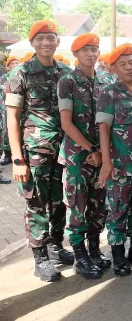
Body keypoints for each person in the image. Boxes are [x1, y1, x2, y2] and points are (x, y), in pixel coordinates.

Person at [5, 20, 74, 282]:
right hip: (35, 152)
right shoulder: (20, 73)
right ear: (32, 42)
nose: (46, 42)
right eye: (40, 38)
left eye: (51, 37)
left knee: (59, 202)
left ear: (57, 41)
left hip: (63, 151)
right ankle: (40, 256)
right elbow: (12, 118)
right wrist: (17, 159)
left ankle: (56, 246)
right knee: (36, 204)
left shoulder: (66, 72)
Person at [57, 33, 110, 279]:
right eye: (86, 50)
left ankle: (94, 251)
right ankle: (80, 257)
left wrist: (102, 153)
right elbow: (66, 124)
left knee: (98, 206)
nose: (91, 54)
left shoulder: (103, 82)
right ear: (76, 54)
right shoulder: (67, 82)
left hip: (100, 156)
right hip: (78, 157)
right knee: (78, 207)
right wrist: (91, 149)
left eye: (95, 50)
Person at [96, 43, 132, 277]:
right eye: (123, 64)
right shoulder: (108, 93)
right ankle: (117, 254)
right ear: (113, 68)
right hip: (120, 164)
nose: (129, 68)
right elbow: (104, 129)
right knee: (117, 210)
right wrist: (106, 163)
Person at [0, 56, 19, 168]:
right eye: (13, 63)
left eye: (17, 62)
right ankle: (7, 155)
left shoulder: (20, 76)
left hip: (18, 107)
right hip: (5, 108)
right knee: (6, 131)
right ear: (8, 67)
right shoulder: (4, 77)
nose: (16, 65)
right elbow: (6, 90)